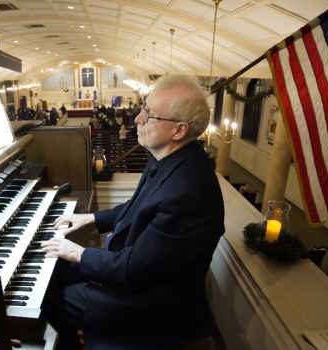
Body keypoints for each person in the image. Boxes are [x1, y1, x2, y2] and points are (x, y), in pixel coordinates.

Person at [42, 75, 225, 350]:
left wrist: (79, 253)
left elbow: (135, 270)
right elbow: (137, 207)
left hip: (154, 303)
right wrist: (91, 218)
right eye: (143, 108)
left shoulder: (187, 193)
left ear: (179, 130)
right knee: (58, 273)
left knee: (53, 300)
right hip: (142, 274)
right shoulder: (170, 159)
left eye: (149, 114)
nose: (138, 118)